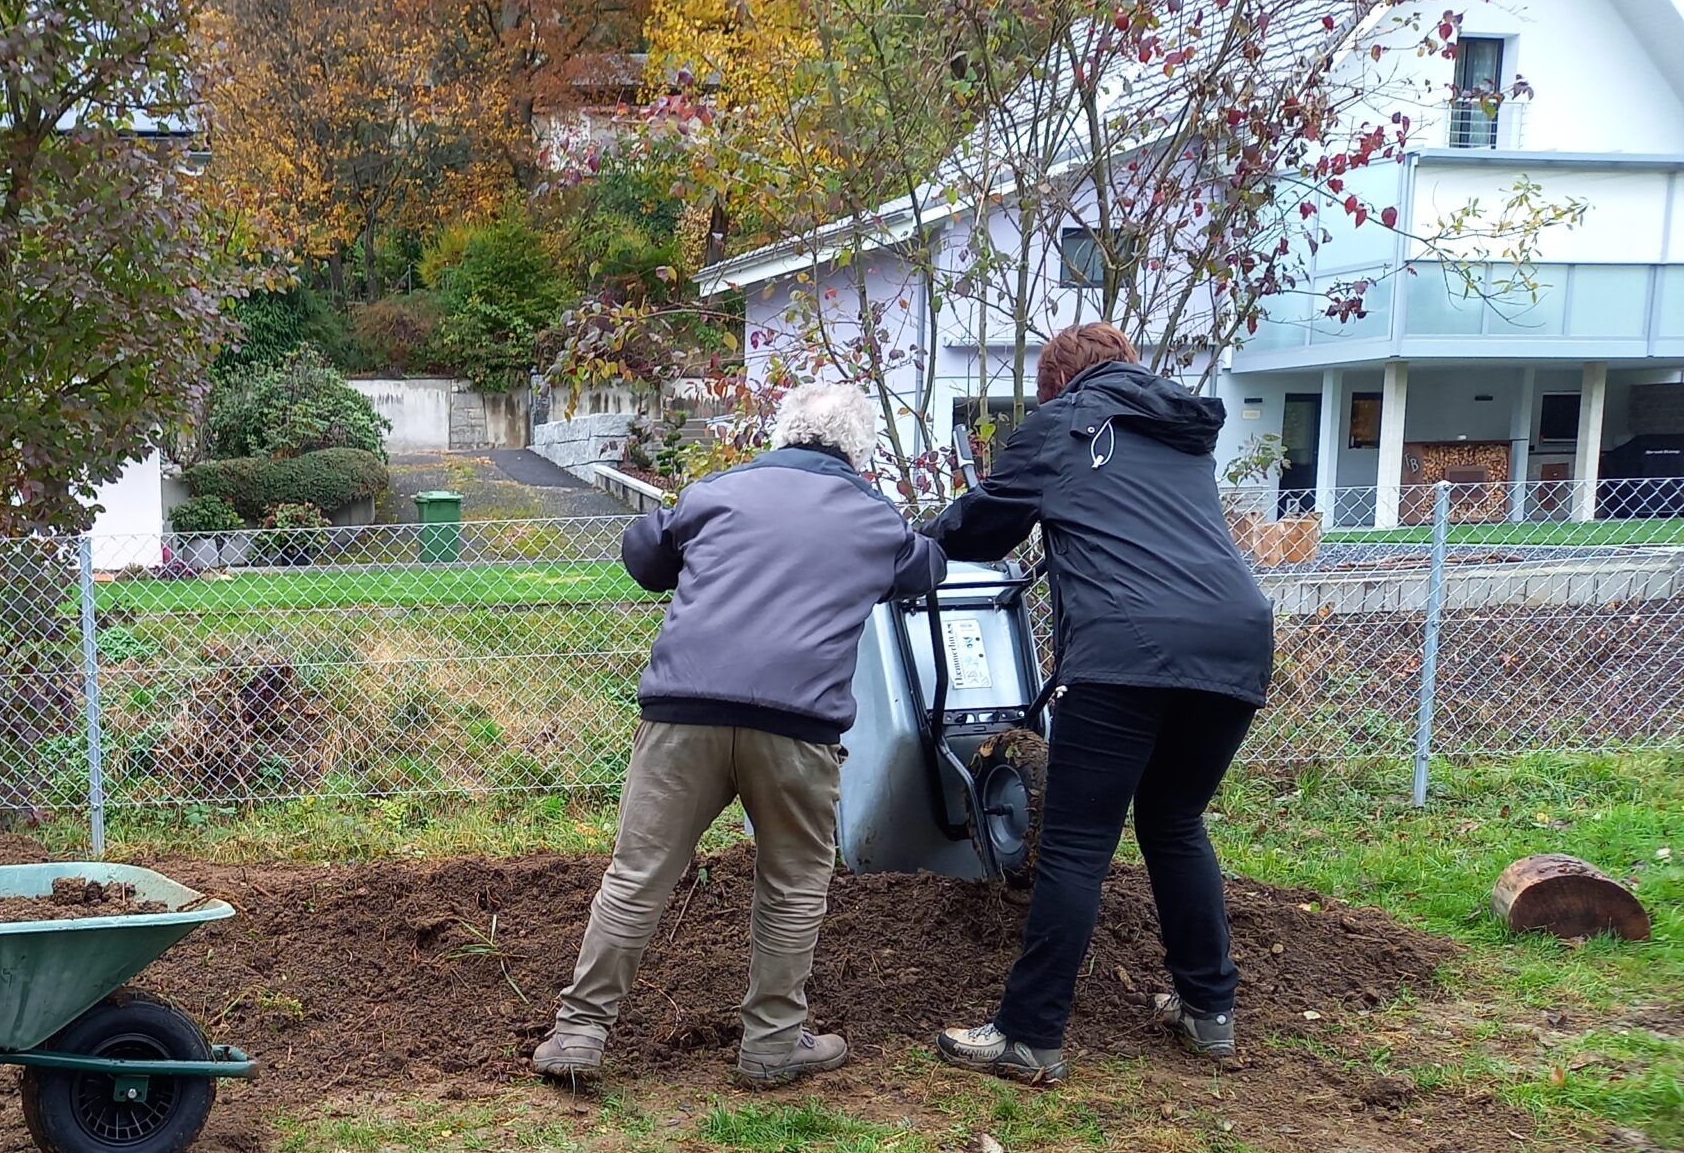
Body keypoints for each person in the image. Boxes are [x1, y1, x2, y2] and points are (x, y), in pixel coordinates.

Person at [533, 381, 945, 1089]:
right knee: (791, 886)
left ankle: (578, 1034)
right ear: (861, 451)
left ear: (779, 433)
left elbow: (645, 557)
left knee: (637, 876)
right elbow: (925, 570)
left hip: (682, 715)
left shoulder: (720, 489)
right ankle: (773, 1045)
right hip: (796, 728)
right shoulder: (872, 517)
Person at [930, 322, 1275, 1086]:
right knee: (1174, 819)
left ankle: (1029, 1036)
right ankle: (1209, 1010)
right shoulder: (1179, 432)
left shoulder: (1064, 424)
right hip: (1237, 642)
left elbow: (985, 525)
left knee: (1080, 844)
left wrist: (912, 543)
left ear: (1056, 384)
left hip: (1128, 649)